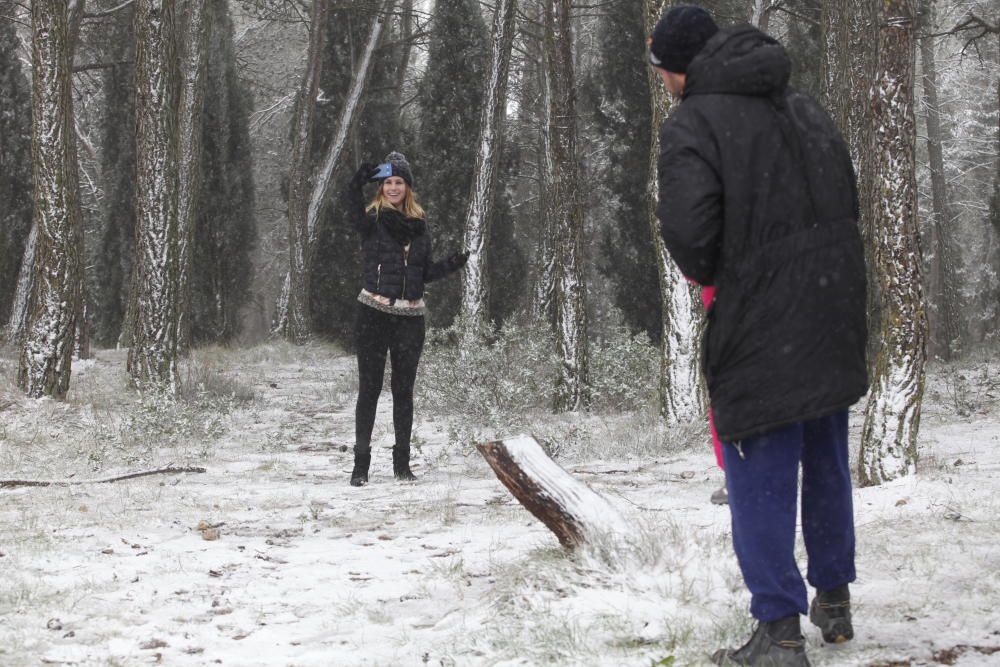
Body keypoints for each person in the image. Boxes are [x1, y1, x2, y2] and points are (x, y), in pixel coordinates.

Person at [648, 6, 868, 666]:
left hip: (761, 317)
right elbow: (845, 193)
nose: (662, 82)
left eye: (660, 70)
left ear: (677, 68)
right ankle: (833, 598)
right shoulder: (802, 104)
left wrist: (729, 274)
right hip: (831, 307)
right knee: (826, 453)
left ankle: (776, 629)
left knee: (759, 470)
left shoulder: (692, 122)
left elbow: (692, 236)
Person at [342, 151, 468, 487]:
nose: (393, 187)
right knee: (369, 389)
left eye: (399, 182)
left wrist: (451, 265)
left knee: (404, 391)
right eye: (387, 182)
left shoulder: (420, 228)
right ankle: (361, 465)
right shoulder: (371, 221)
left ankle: (402, 464)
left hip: (411, 317)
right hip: (373, 313)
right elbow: (351, 208)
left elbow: (422, 273)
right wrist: (357, 182)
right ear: (380, 187)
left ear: (408, 187)